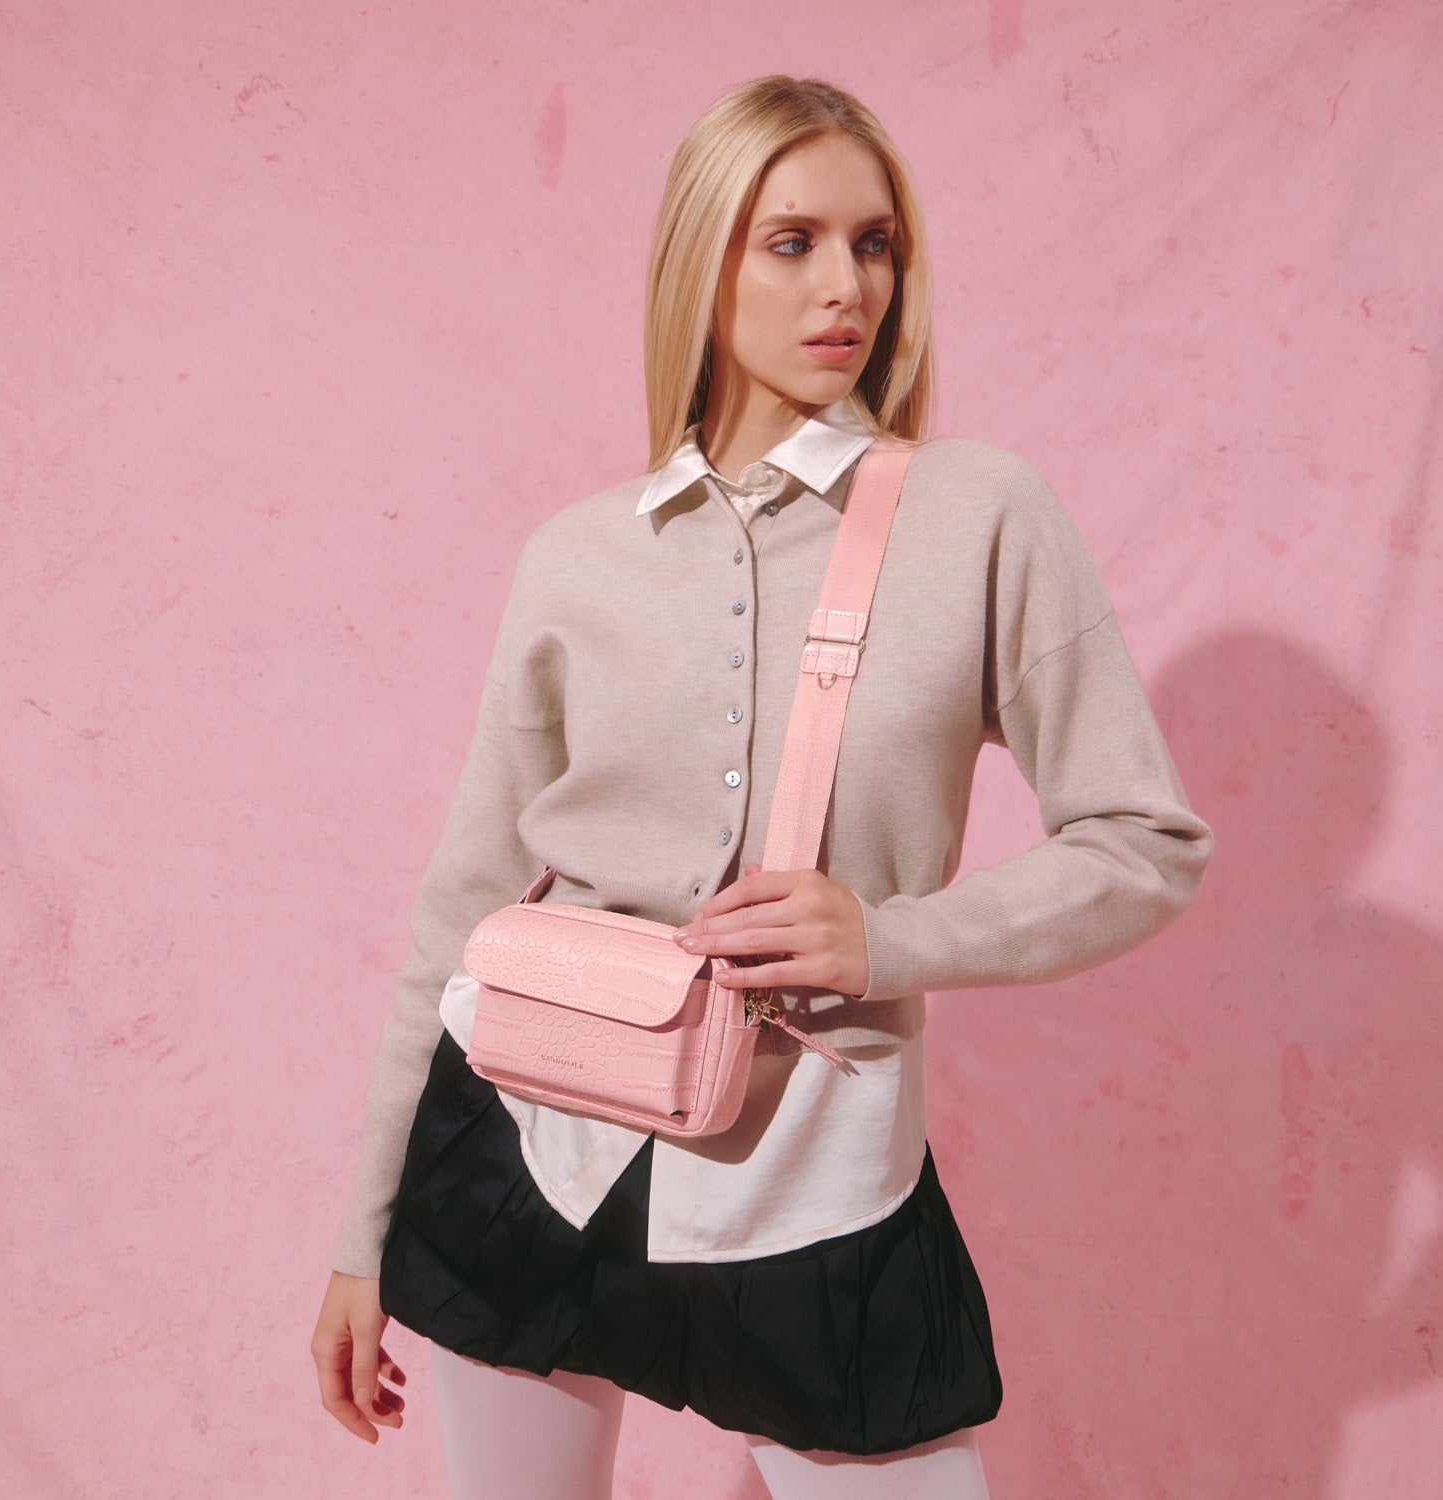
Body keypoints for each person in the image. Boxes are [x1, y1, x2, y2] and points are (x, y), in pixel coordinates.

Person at [310, 74, 1213, 1499]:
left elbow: (1143, 843)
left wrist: (887, 937)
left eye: (875, 242)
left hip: (815, 1178)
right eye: (792, 241)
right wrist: (364, 1235)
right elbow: (463, 905)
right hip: (525, 1148)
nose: (846, 285)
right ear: (703, 261)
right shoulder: (577, 556)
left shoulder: (980, 512)